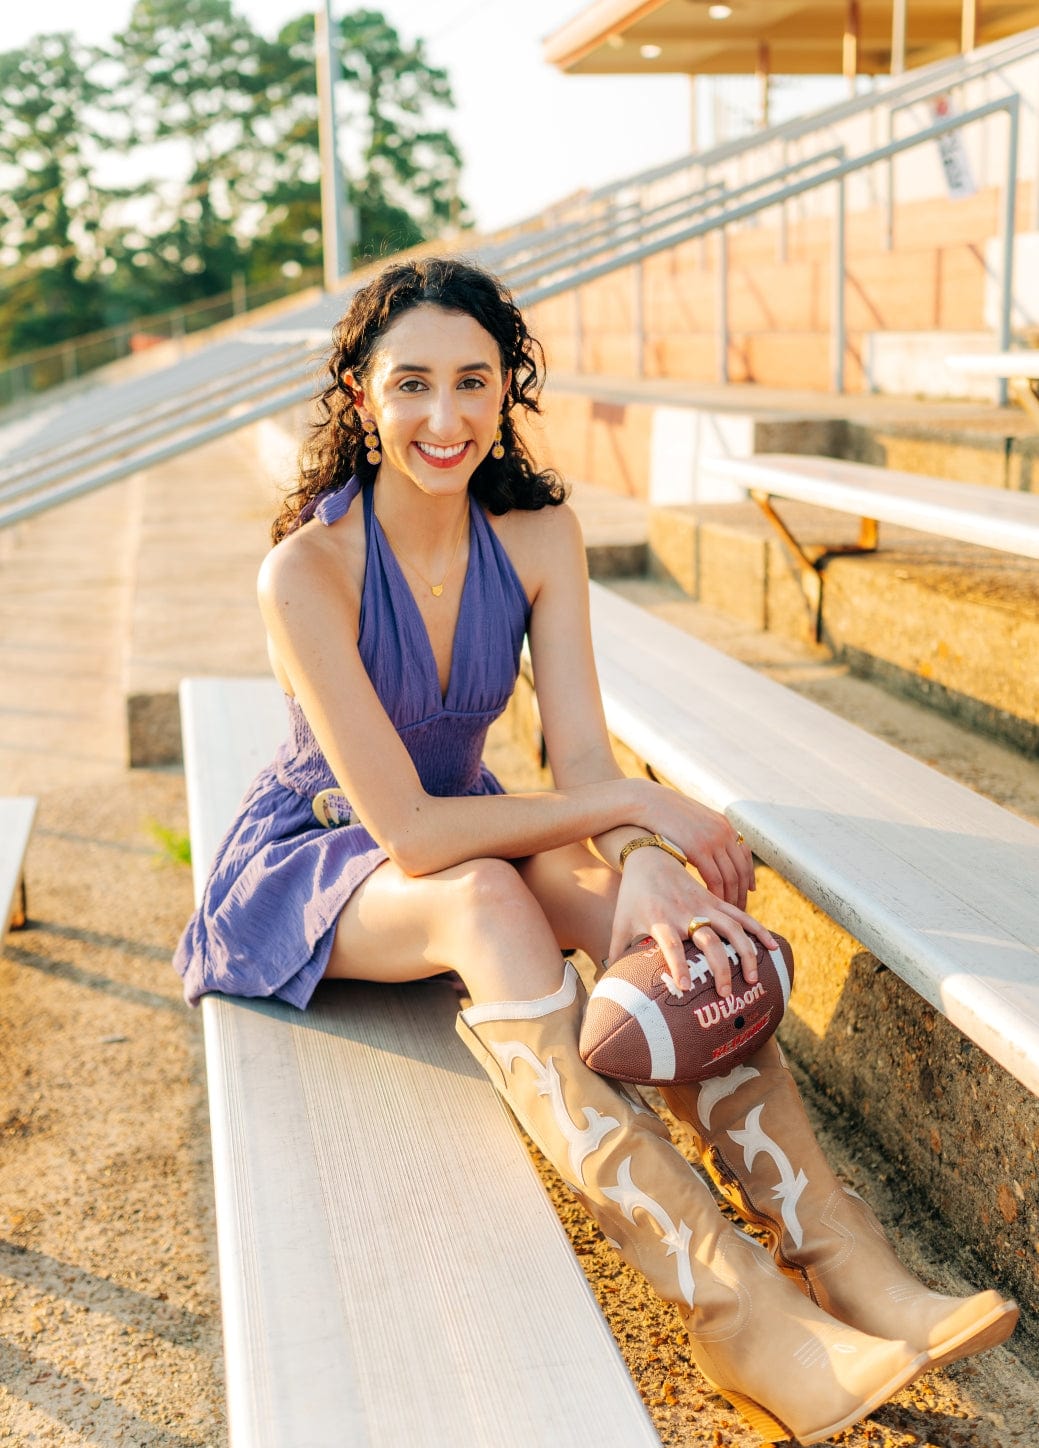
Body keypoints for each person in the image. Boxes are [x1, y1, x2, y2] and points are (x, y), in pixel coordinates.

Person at [173, 256, 1017, 1445]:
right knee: (481, 899)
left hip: (474, 822)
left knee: (666, 923)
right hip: (316, 865)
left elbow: (574, 754)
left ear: (506, 389)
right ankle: (738, 1313)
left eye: (472, 382)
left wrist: (644, 859)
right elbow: (409, 830)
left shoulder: (536, 536)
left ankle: (849, 1264)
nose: (443, 417)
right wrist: (631, 807)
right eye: (410, 384)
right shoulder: (305, 569)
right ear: (359, 394)